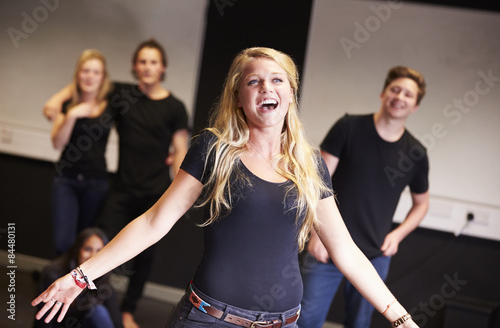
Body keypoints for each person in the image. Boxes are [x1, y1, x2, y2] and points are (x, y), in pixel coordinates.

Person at [33, 47, 419, 328]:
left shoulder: (309, 163)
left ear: (289, 92)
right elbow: (154, 223)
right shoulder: (213, 150)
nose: (265, 87)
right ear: (240, 97)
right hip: (209, 320)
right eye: (253, 81)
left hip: (285, 323)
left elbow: (346, 251)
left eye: (276, 80)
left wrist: (400, 319)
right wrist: (80, 276)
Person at [42, 39, 190, 328]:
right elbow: (80, 88)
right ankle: (88, 303)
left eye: (154, 62)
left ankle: (127, 311)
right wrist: (57, 108)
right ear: (135, 67)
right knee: (100, 246)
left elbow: (180, 151)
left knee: (145, 256)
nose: (148, 67)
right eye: (142, 62)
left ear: (163, 68)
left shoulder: (175, 107)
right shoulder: (123, 95)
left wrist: (179, 194)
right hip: (121, 190)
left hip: (156, 193)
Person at [298, 66, 429, 328]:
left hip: (375, 255)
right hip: (327, 248)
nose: (400, 97)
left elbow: (421, 204)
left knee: (359, 323)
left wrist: (397, 235)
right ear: (383, 93)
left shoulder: (416, 152)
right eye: (395, 89)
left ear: (414, 106)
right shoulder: (349, 127)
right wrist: (316, 234)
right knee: (307, 320)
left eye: (408, 94)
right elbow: (316, 183)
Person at [50, 49, 115, 255]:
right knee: (63, 243)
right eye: (85, 71)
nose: (90, 76)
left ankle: (80, 287)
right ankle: (57, 284)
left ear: (103, 77)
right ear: (78, 74)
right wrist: (71, 116)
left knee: (86, 246)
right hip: (66, 180)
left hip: (96, 183)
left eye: (96, 72)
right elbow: (57, 142)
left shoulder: (111, 106)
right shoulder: (68, 106)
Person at [34, 227, 123, 328]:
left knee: (99, 312)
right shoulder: (54, 274)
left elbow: (116, 318)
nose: (93, 256)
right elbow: (44, 320)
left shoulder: (103, 276)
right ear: (77, 251)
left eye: (99, 251)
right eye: (88, 249)